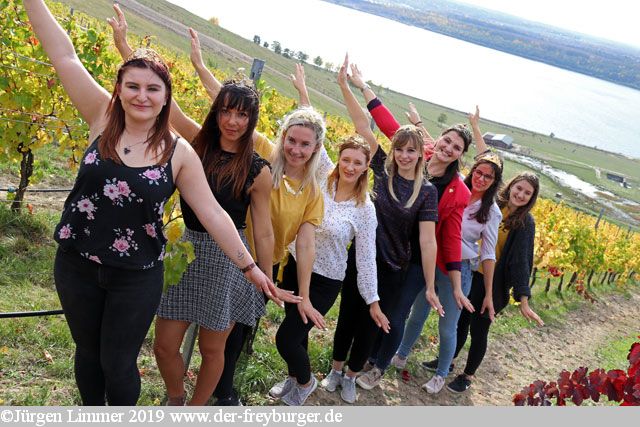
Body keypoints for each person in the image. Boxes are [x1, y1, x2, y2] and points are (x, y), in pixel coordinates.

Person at [23, 0, 275, 406]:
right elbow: (64, 55)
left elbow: (213, 213)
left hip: (136, 275)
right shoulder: (101, 117)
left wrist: (252, 268)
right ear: (119, 89)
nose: (142, 96)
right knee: (87, 353)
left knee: (117, 362)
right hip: (76, 265)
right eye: (133, 86)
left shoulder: (179, 152)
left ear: (166, 97)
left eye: (153, 88)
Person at [108, 8, 301, 405]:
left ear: (251, 120)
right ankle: (176, 398)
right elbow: (165, 102)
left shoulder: (258, 171)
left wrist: (266, 278)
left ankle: (195, 412)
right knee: (164, 345)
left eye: (242, 114)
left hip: (229, 261)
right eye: (226, 111)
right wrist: (125, 47)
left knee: (213, 350)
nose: (232, 121)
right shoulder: (196, 144)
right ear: (217, 112)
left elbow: (263, 231)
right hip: (186, 251)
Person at [344, 62, 473, 394]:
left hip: (416, 259)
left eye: (456, 148)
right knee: (372, 304)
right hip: (385, 245)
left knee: (397, 313)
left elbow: (449, 238)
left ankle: (379, 365)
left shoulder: (456, 191)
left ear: (461, 155)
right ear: (437, 139)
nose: (448, 148)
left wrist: (451, 282)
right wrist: (363, 87)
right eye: (447, 141)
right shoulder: (415, 155)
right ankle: (365, 354)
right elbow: (389, 127)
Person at [329, 56, 438, 399]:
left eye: (411, 151)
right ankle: (334, 369)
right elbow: (363, 126)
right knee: (347, 316)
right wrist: (346, 86)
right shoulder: (382, 169)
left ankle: (351, 375)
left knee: (370, 325)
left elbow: (427, 240)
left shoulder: (427, 192)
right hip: (362, 259)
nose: (404, 155)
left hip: (393, 269)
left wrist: (430, 285)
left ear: (420, 154)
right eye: (400, 149)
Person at [391, 107, 504, 394]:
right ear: (472, 170)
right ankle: (401, 354)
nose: (481, 178)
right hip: (432, 259)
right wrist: (418, 122)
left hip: (458, 269)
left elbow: (488, 254)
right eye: (479, 172)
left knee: (447, 325)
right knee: (417, 313)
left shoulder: (491, 211)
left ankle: (442, 373)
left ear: (494, 182)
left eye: (488, 177)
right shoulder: (456, 186)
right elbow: (440, 147)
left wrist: (488, 293)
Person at [446, 167, 544, 393]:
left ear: (531, 198)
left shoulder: (525, 223)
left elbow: (521, 261)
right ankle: (448, 360)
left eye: (527, 193)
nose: (520, 194)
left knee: (479, 330)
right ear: (511, 186)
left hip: (494, 285)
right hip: (471, 273)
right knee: (461, 321)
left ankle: (467, 375)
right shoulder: (493, 205)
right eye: (519, 188)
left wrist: (523, 298)